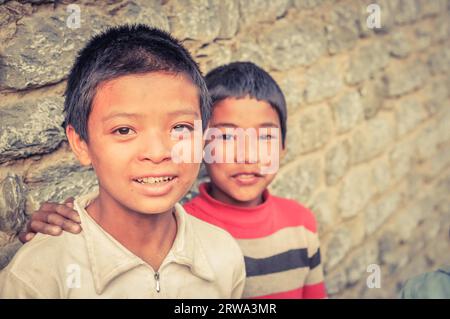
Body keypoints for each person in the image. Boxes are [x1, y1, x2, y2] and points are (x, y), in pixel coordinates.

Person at [19, 62, 326, 299]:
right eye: (228, 136)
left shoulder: (300, 224)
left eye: (265, 137)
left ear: (284, 145)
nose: (247, 156)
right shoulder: (179, 229)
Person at [0, 24, 245, 299]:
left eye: (180, 128)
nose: (157, 152)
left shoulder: (224, 256)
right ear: (81, 143)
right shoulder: (40, 276)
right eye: (124, 130)